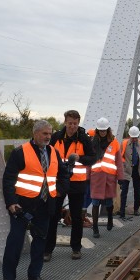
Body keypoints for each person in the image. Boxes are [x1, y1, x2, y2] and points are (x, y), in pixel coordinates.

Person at [1, 119, 69, 280]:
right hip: (22, 206)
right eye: (45, 133)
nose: (48, 137)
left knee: (40, 241)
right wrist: (11, 203)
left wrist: (59, 190)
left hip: (45, 205)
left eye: (50, 133)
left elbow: (63, 175)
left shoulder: (54, 152)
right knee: (15, 242)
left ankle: (35, 274)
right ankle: (8, 277)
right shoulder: (20, 153)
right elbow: (8, 179)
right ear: (35, 133)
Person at [44, 110, 94, 261]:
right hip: (58, 181)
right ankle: (48, 249)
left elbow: (93, 158)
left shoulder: (84, 139)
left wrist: (80, 158)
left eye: (75, 123)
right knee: (53, 215)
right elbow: (45, 153)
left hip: (77, 182)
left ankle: (76, 248)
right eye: (70, 123)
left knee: (77, 216)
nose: (72, 126)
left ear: (78, 123)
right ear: (65, 122)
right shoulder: (56, 137)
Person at [89, 117, 124, 238]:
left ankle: (110, 218)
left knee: (109, 202)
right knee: (95, 202)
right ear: (97, 130)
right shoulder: (92, 142)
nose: (102, 132)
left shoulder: (114, 143)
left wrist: (121, 178)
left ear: (108, 130)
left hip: (109, 177)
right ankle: (95, 228)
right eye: (100, 130)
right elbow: (89, 160)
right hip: (96, 176)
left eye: (104, 130)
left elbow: (119, 162)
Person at [119, 126, 140, 218]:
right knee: (124, 191)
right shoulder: (124, 144)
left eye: (136, 137)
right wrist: (124, 164)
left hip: (137, 170)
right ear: (129, 136)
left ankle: (136, 209)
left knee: (137, 191)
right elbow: (120, 157)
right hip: (126, 170)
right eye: (133, 137)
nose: (134, 139)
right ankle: (122, 211)